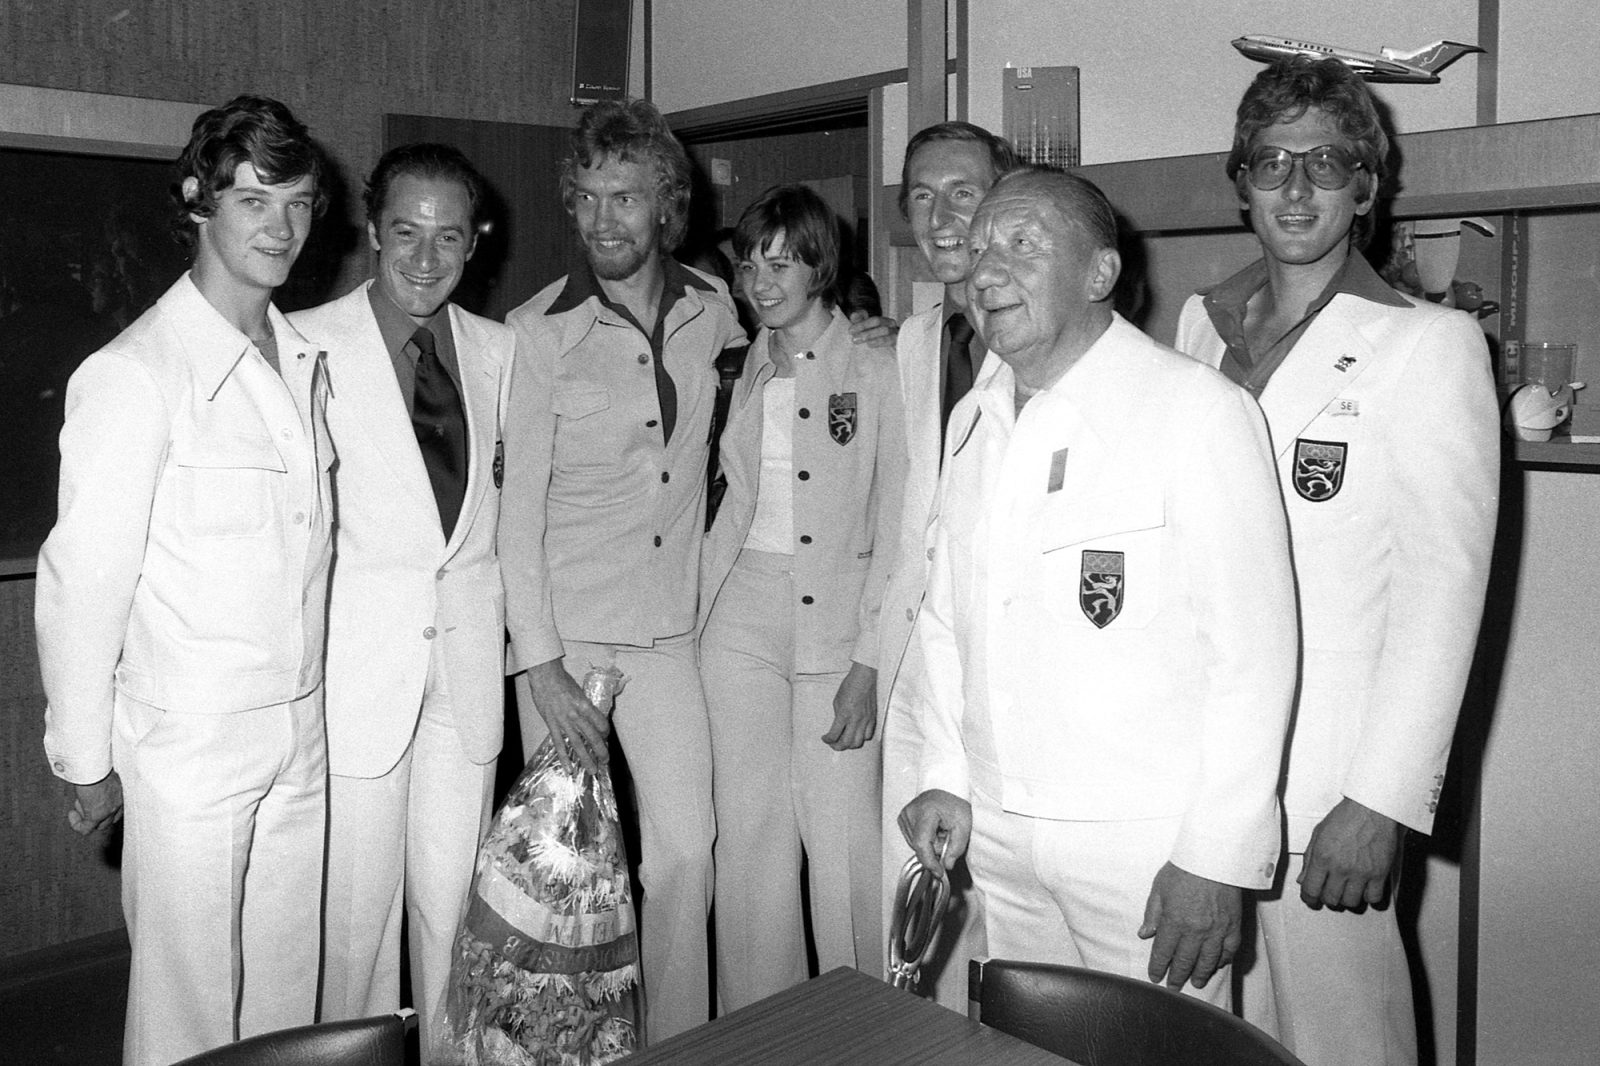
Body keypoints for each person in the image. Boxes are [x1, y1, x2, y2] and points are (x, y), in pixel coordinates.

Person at [899, 168, 1298, 1009]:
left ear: (1099, 274)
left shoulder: (1196, 411)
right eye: (978, 250)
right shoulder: (977, 422)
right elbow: (945, 619)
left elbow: (1254, 655)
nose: (986, 268)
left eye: (1022, 244)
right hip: (1000, 834)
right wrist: (944, 772)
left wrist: (1217, 857)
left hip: (1145, 845)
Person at [1174, 57, 1499, 1065]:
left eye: (1326, 163)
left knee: (1342, 1043)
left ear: (1367, 184)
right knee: (1202, 1037)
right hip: (1190, 772)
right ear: (1241, 182)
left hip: (1326, 791)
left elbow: (1443, 590)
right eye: (1271, 163)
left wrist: (1383, 799)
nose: (1298, 188)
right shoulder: (1195, 327)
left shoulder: (1428, 346)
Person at [35, 95, 332, 1066]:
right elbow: (85, 581)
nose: (281, 227)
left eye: (298, 201)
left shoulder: (303, 360)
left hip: (299, 730)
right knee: (186, 1016)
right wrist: (88, 760)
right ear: (200, 201)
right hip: (192, 746)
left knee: (289, 1006)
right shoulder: (137, 372)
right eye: (255, 200)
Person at [497, 98, 744, 1043]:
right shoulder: (539, 332)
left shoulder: (712, 309)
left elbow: (786, 341)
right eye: (589, 198)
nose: (604, 220)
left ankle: (675, 1037)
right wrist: (540, 665)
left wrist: (864, 331)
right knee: (564, 873)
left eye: (626, 198)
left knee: (687, 852)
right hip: (568, 645)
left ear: (666, 206)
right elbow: (515, 524)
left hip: (669, 636)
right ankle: (556, 1048)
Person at [287, 143, 515, 1062]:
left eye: (448, 236)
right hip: (356, 686)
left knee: (460, 917)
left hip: (464, 682)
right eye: (406, 233)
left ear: (477, 242)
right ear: (373, 231)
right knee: (355, 928)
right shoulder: (304, 344)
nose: (426, 258)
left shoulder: (504, 354)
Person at [699, 183, 906, 1010]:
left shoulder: (882, 364)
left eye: (782, 261)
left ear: (821, 264)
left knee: (845, 849)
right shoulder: (751, 355)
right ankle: (761, 1034)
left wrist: (868, 662)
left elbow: (897, 531)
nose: (761, 279)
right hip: (739, 609)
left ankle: (866, 1030)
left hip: (838, 625)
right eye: (750, 263)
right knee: (750, 844)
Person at [877, 121, 1014, 1009]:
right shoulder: (913, 342)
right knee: (915, 902)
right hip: (920, 656)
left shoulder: (1047, 336)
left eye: (963, 191)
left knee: (1006, 915)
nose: (942, 215)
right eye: (922, 197)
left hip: (1008, 651)